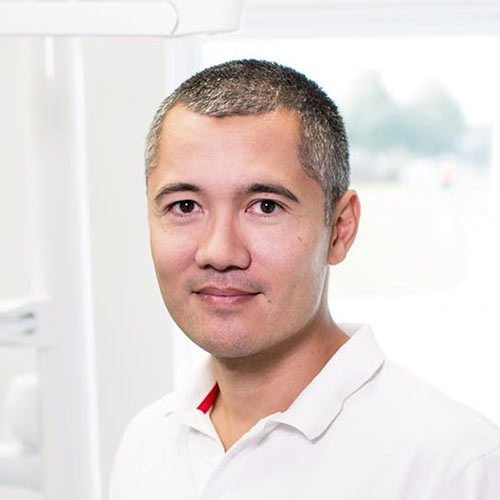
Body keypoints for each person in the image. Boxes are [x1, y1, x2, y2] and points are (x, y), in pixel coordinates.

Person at [109, 59, 500, 499]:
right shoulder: (145, 444)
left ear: (340, 229)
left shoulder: (456, 469)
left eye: (266, 206)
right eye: (184, 206)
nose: (219, 252)